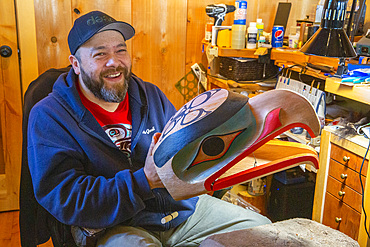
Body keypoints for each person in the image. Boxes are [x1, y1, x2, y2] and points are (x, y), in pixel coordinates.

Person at [26, 10, 271, 247]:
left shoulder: (151, 95)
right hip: (117, 224)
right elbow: (67, 199)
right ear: (76, 64)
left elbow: (185, 152)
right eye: (100, 54)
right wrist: (144, 181)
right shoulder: (50, 116)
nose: (114, 62)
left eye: (121, 50)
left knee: (263, 231)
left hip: (183, 211)